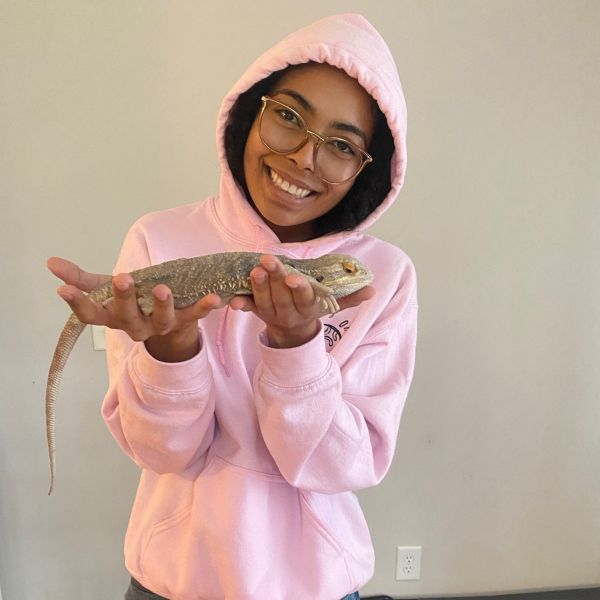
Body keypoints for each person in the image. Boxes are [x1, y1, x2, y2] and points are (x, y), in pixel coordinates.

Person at [48, 13, 417, 600]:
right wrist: (170, 351)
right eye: (289, 116)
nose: (303, 158)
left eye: (343, 146)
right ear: (253, 112)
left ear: (366, 172)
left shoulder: (385, 278)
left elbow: (350, 464)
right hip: (174, 577)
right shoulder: (157, 238)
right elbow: (161, 452)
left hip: (315, 584)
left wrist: (299, 347)